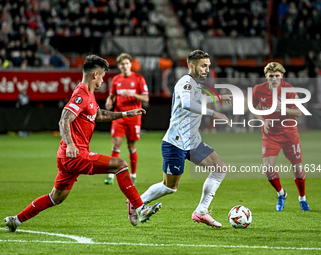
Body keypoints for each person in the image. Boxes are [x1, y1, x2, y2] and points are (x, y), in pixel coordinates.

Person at [4, 55, 161, 232]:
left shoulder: (89, 95)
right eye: (102, 76)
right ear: (95, 74)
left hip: (67, 157)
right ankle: (140, 208)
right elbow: (64, 119)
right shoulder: (81, 94)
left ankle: (15, 220)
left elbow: (99, 114)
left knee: (56, 197)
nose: (102, 80)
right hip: (75, 154)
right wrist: (71, 144)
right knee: (120, 165)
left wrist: (126, 114)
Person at [126, 50, 232, 227]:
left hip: (192, 142)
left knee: (219, 168)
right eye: (203, 66)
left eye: (208, 66)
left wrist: (219, 98)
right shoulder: (186, 82)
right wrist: (214, 112)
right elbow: (187, 104)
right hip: (175, 142)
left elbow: (197, 101)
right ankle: (136, 202)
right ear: (192, 66)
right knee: (169, 187)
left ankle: (201, 212)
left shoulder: (196, 84)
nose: (207, 69)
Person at [252, 62, 310, 212]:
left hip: (289, 133)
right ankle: (281, 193)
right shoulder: (258, 90)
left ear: (282, 76)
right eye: (271, 76)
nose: (274, 79)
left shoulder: (289, 90)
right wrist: (263, 121)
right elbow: (254, 108)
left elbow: (298, 112)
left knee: (297, 169)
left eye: (277, 76)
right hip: (270, 134)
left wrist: (282, 106)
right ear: (266, 76)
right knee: (268, 169)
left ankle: (302, 198)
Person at [104, 53, 149, 185]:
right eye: (122, 64)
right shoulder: (116, 79)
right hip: (119, 116)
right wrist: (109, 102)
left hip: (134, 117)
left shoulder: (139, 78)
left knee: (131, 146)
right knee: (116, 144)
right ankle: (111, 176)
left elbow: (146, 98)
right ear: (119, 66)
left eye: (126, 63)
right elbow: (111, 96)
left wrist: (133, 94)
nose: (124, 66)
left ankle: (133, 174)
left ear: (130, 64)